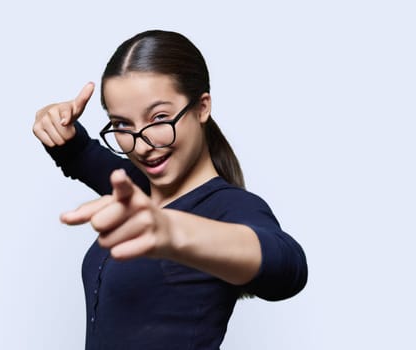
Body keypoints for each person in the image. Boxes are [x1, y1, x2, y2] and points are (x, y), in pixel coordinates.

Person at [33, 30, 308, 349]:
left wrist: (173, 231)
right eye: (122, 124)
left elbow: (288, 266)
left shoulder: (229, 207)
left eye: (159, 117)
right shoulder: (137, 189)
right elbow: (78, 153)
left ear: (202, 107)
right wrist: (53, 121)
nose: (142, 144)